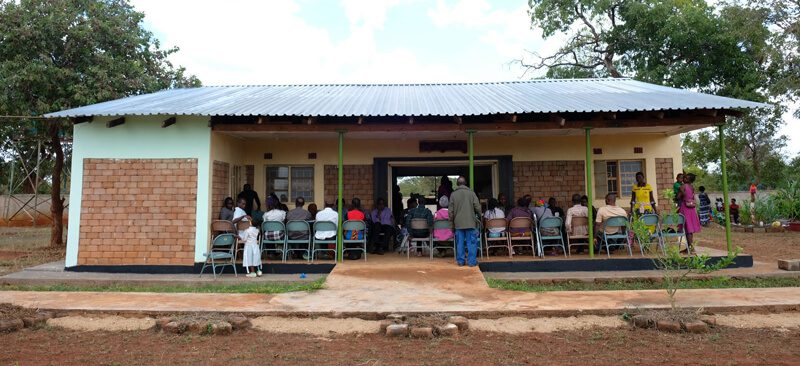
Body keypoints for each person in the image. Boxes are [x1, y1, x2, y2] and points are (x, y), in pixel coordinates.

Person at [449, 176, 482, 267]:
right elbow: (477, 207)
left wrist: (451, 224)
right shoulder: (471, 193)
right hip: (471, 223)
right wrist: (480, 216)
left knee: (460, 243)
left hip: (458, 224)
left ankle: (461, 262)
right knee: (471, 242)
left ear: (457, 184)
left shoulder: (453, 194)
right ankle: (471, 262)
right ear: (465, 183)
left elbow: (450, 212)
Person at [678, 173, 702, 253]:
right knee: (690, 229)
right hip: (691, 209)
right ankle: (689, 247)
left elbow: (679, 197)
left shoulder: (683, 186)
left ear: (689, 180)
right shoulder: (692, 187)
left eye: (686, 178)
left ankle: (690, 248)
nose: (684, 179)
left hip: (685, 208)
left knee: (687, 228)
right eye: (684, 177)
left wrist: (680, 191)